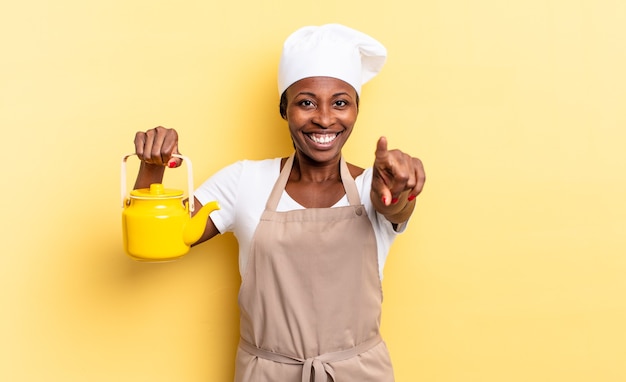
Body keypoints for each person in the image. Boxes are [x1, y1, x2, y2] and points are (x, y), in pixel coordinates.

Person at [132, 24, 425, 382]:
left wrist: (401, 192)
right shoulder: (244, 182)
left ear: (356, 111)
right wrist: (152, 167)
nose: (324, 118)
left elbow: (394, 206)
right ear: (284, 109)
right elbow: (161, 241)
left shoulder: (372, 186)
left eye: (340, 102)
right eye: (305, 102)